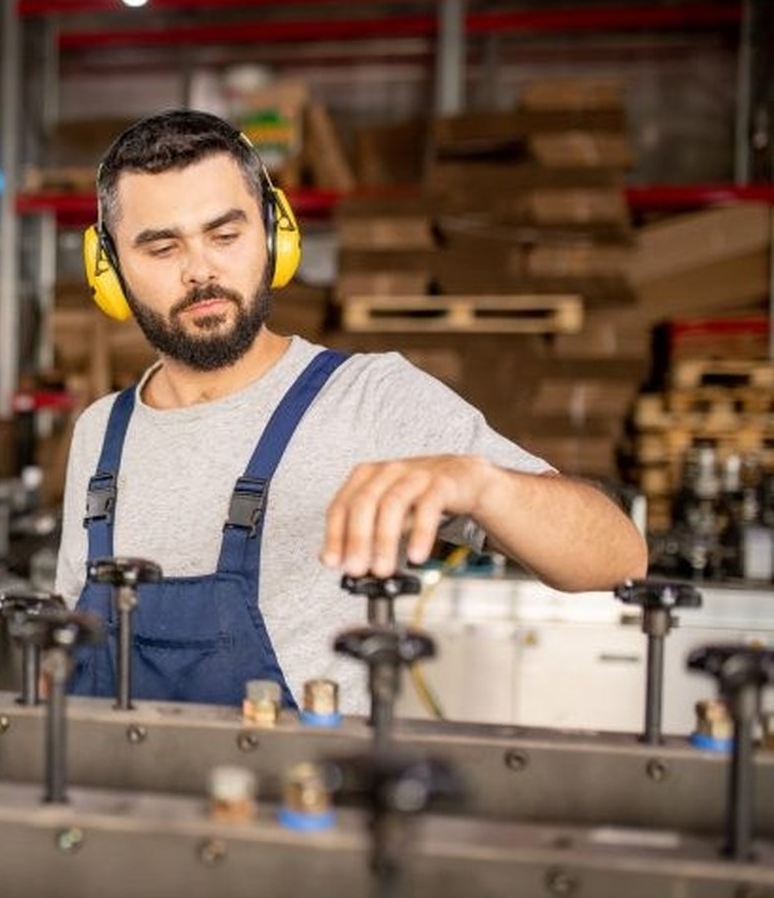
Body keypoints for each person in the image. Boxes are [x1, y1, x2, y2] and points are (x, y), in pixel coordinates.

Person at [55, 110, 648, 710]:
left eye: (226, 235)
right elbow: (72, 646)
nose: (201, 269)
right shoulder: (101, 432)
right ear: (107, 269)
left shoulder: (371, 398)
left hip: (301, 794)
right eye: (162, 248)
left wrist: (480, 483)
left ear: (275, 233)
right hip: (117, 792)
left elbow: (618, 557)